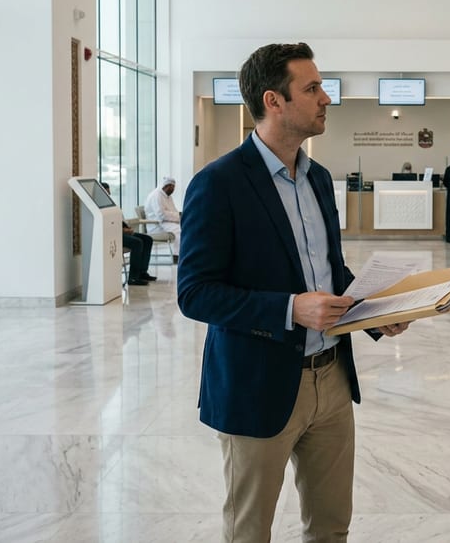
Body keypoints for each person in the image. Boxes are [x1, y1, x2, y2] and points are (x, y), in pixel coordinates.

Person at [176, 43, 410, 543]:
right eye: (313, 88)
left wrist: (373, 312)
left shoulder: (319, 179)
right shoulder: (218, 184)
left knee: (331, 528)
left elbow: (328, 271)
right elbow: (194, 292)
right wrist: (288, 309)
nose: (327, 98)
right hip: (257, 384)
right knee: (249, 531)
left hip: (333, 381)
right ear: (274, 101)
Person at [101, 182, 156, 285]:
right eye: (107, 193)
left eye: (109, 193)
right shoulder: (100, 207)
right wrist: (122, 230)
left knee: (147, 239)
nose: (109, 195)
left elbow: (119, 220)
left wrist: (127, 228)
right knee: (137, 242)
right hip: (113, 235)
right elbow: (107, 224)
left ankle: (142, 272)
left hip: (122, 232)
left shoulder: (111, 205)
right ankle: (133, 277)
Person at [144, 177, 181, 260]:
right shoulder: (156, 196)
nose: (173, 190)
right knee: (179, 230)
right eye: (172, 187)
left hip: (167, 223)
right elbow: (161, 215)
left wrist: (179, 216)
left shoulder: (168, 196)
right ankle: (177, 255)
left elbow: (173, 211)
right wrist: (177, 216)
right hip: (157, 225)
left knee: (185, 227)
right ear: (167, 186)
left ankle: (182, 253)